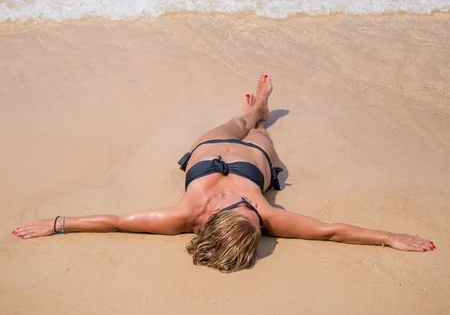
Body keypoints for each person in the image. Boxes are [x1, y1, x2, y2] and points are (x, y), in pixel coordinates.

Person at [12, 75, 435, 272]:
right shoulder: (268, 219)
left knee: (237, 120)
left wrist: (57, 223)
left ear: (214, 218)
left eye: (243, 208)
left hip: (209, 149)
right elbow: (328, 231)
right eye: (254, 211)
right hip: (255, 159)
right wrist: (387, 237)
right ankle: (262, 116)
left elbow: (116, 222)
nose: (252, 205)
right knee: (260, 133)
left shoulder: (182, 216)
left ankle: (255, 110)